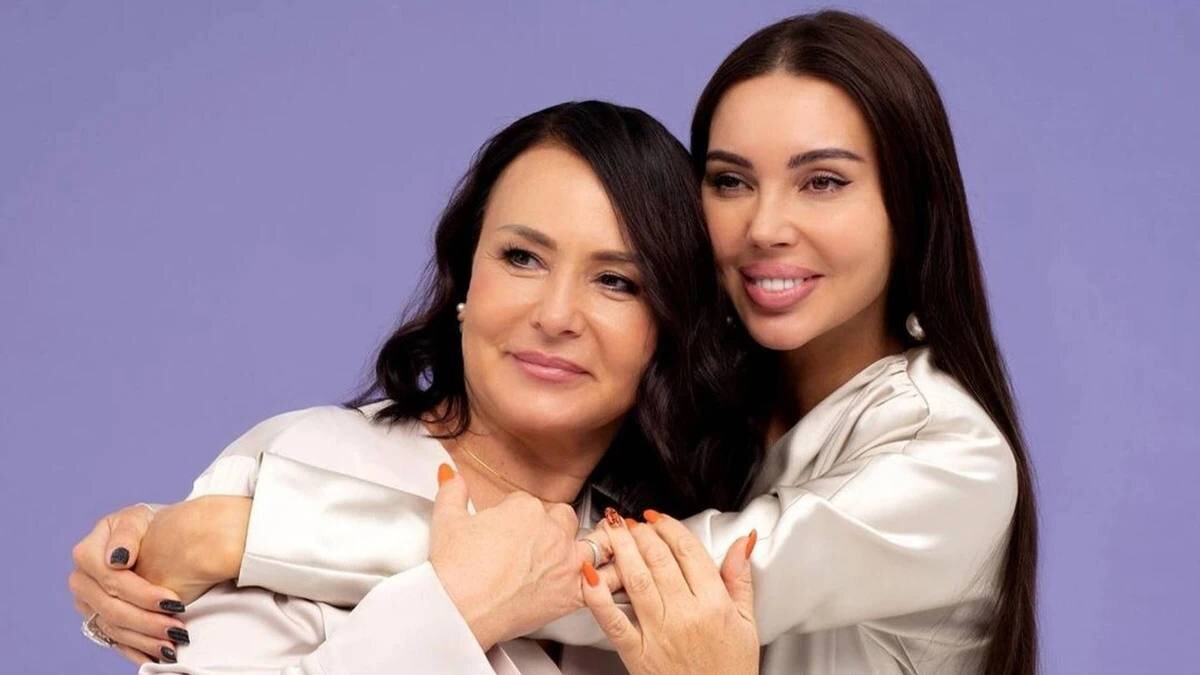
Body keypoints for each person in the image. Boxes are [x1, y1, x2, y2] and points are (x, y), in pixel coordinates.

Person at [72, 11, 1039, 675]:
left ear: (912, 205)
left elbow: (662, 583)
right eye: (730, 180)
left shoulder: (945, 457)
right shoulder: (701, 435)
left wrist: (248, 531)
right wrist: (154, 544)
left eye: (823, 181)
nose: (764, 227)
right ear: (464, 275)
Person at [70, 99, 761, 674]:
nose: (556, 316)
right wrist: (454, 607)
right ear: (465, 281)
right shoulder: (308, 464)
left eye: (615, 281)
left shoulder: (670, 576)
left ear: (669, 324)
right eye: (522, 257)